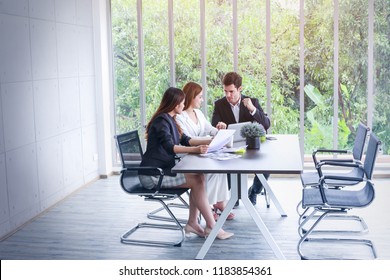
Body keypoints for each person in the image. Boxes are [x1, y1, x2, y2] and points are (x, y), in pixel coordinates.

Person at [138, 87, 233, 240]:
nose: (184, 105)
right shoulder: (161, 121)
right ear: (176, 105)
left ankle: (193, 223)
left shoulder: (171, 120)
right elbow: (171, 147)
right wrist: (196, 149)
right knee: (196, 180)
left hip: (163, 171)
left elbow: (186, 140)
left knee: (198, 177)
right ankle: (212, 227)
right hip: (153, 175)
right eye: (182, 103)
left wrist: (212, 141)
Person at [176, 82, 234, 220]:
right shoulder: (180, 116)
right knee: (212, 170)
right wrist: (210, 139)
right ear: (192, 97)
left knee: (221, 166)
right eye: (200, 97)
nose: (202, 100)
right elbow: (187, 139)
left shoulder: (199, 113)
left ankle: (220, 202)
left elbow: (209, 129)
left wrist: (220, 129)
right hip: (189, 155)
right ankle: (207, 206)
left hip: (204, 152)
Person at [211, 72, 271, 206]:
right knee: (229, 166)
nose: (228, 95)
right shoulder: (220, 104)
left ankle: (253, 192)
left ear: (240, 89)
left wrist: (252, 109)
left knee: (266, 168)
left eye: (231, 91)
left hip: (251, 147)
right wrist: (219, 125)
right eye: (225, 91)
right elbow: (214, 124)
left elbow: (266, 124)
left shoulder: (252, 102)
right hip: (231, 149)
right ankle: (235, 196)